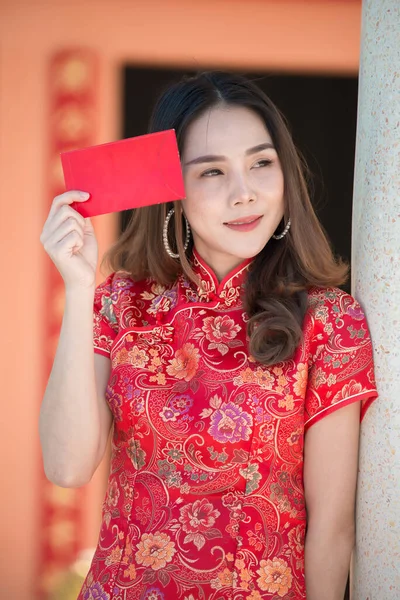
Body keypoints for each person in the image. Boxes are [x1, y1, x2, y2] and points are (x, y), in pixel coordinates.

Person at [39, 71, 378, 600]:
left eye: (261, 163)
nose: (244, 194)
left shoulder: (330, 321)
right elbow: (67, 466)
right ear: (173, 190)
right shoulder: (122, 302)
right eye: (212, 172)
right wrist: (79, 288)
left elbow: (332, 530)